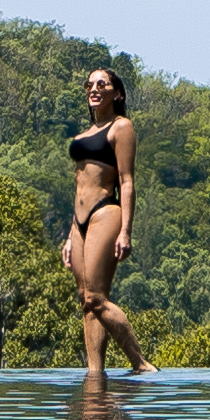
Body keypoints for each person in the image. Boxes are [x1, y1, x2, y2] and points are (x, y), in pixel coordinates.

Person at [62, 66, 156, 381]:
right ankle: (94, 373)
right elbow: (79, 185)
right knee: (85, 302)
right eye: (90, 84)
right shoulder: (86, 133)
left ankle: (140, 361)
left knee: (96, 298)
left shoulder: (121, 127)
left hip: (106, 211)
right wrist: (68, 234)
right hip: (78, 222)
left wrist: (126, 231)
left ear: (116, 93)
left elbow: (127, 182)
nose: (94, 88)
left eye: (102, 84)